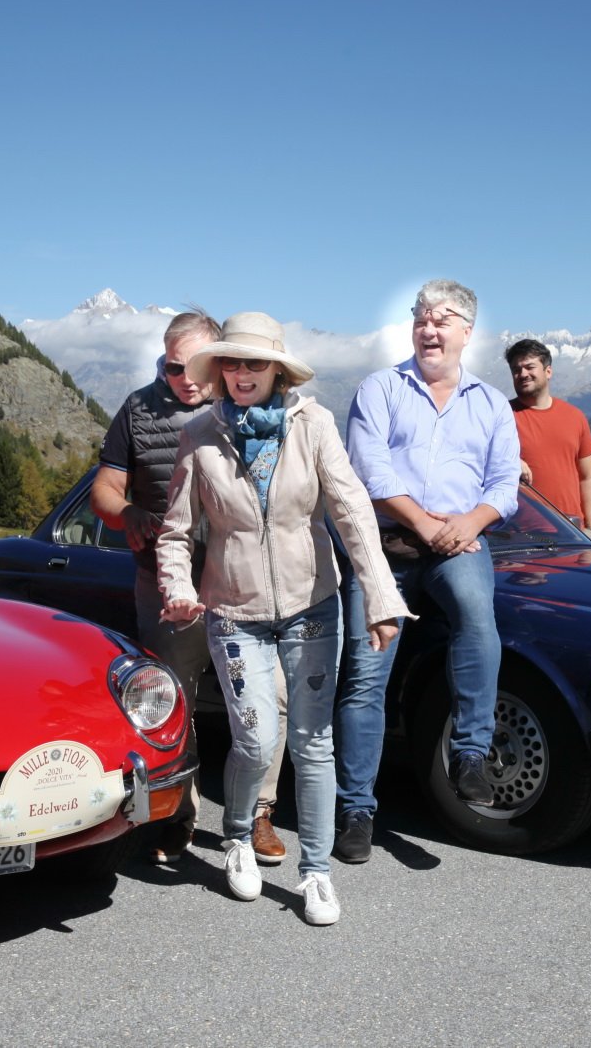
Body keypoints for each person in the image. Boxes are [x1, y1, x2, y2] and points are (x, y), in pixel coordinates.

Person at [157, 312, 408, 926]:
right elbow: (176, 530)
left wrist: (381, 597)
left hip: (312, 605)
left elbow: (352, 513)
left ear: (277, 371)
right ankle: (238, 836)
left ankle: (316, 872)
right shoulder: (200, 434)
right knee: (255, 738)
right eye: (231, 362)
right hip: (233, 612)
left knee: (313, 743)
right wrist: (179, 587)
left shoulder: (313, 425)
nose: (242, 373)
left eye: (255, 363)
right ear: (220, 369)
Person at [92, 310, 290, 865]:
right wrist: (128, 513)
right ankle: (178, 815)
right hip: (165, 582)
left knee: (270, 696)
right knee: (171, 700)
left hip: (242, 581)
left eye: (194, 367)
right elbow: (104, 488)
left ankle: (259, 812)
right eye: (173, 367)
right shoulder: (138, 409)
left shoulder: (246, 403)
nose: (185, 379)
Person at [334, 279, 520, 864]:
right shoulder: (380, 389)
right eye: (421, 318)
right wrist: (422, 522)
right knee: (366, 676)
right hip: (383, 548)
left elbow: (505, 485)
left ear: (467, 331)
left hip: (456, 545)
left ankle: (470, 755)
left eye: (442, 319)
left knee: (477, 616)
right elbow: (370, 470)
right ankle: (356, 809)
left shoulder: (491, 404)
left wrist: (472, 521)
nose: (429, 328)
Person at [505, 338, 591, 538]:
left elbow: (588, 477)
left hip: (572, 531)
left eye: (530, 367)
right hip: (518, 535)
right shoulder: (501, 416)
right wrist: (510, 461)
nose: (523, 374)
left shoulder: (575, 417)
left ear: (548, 371)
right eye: (516, 369)